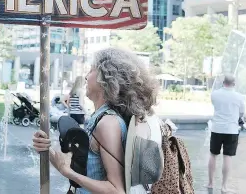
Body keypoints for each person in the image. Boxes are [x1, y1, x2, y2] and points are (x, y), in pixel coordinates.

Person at [33, 47, 159, 194]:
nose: (86, 76)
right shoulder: (100, 117)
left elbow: (116, 190)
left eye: (91, 70)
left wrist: (67, 172)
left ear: (107, 78)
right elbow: (82, 169)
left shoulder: (108, 123)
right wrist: (46, 149)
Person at [207, 74, 245, 193]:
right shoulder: (239, 97)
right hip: (231, 130)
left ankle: (210, 183)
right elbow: (241, 112)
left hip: (216, 128)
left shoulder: (215, 94)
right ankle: (224, 186)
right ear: (234, 84)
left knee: (213, 155)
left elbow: (215, 105)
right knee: (227, 157)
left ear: (223, 82)